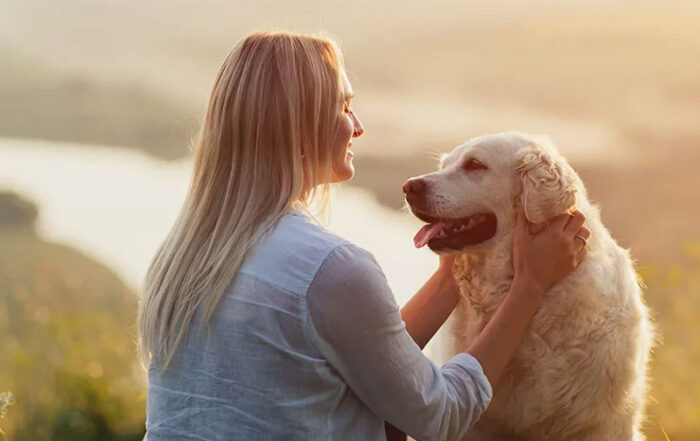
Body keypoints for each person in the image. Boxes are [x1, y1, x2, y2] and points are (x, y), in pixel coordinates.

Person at [137, 31, 590, 441]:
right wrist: (530, 285)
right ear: (299, 123)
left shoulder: (184, 255)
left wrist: (458, 266)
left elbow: (378, 360)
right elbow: (440, 416)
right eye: (344, 106)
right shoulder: (329, 267)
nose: (358, 125)